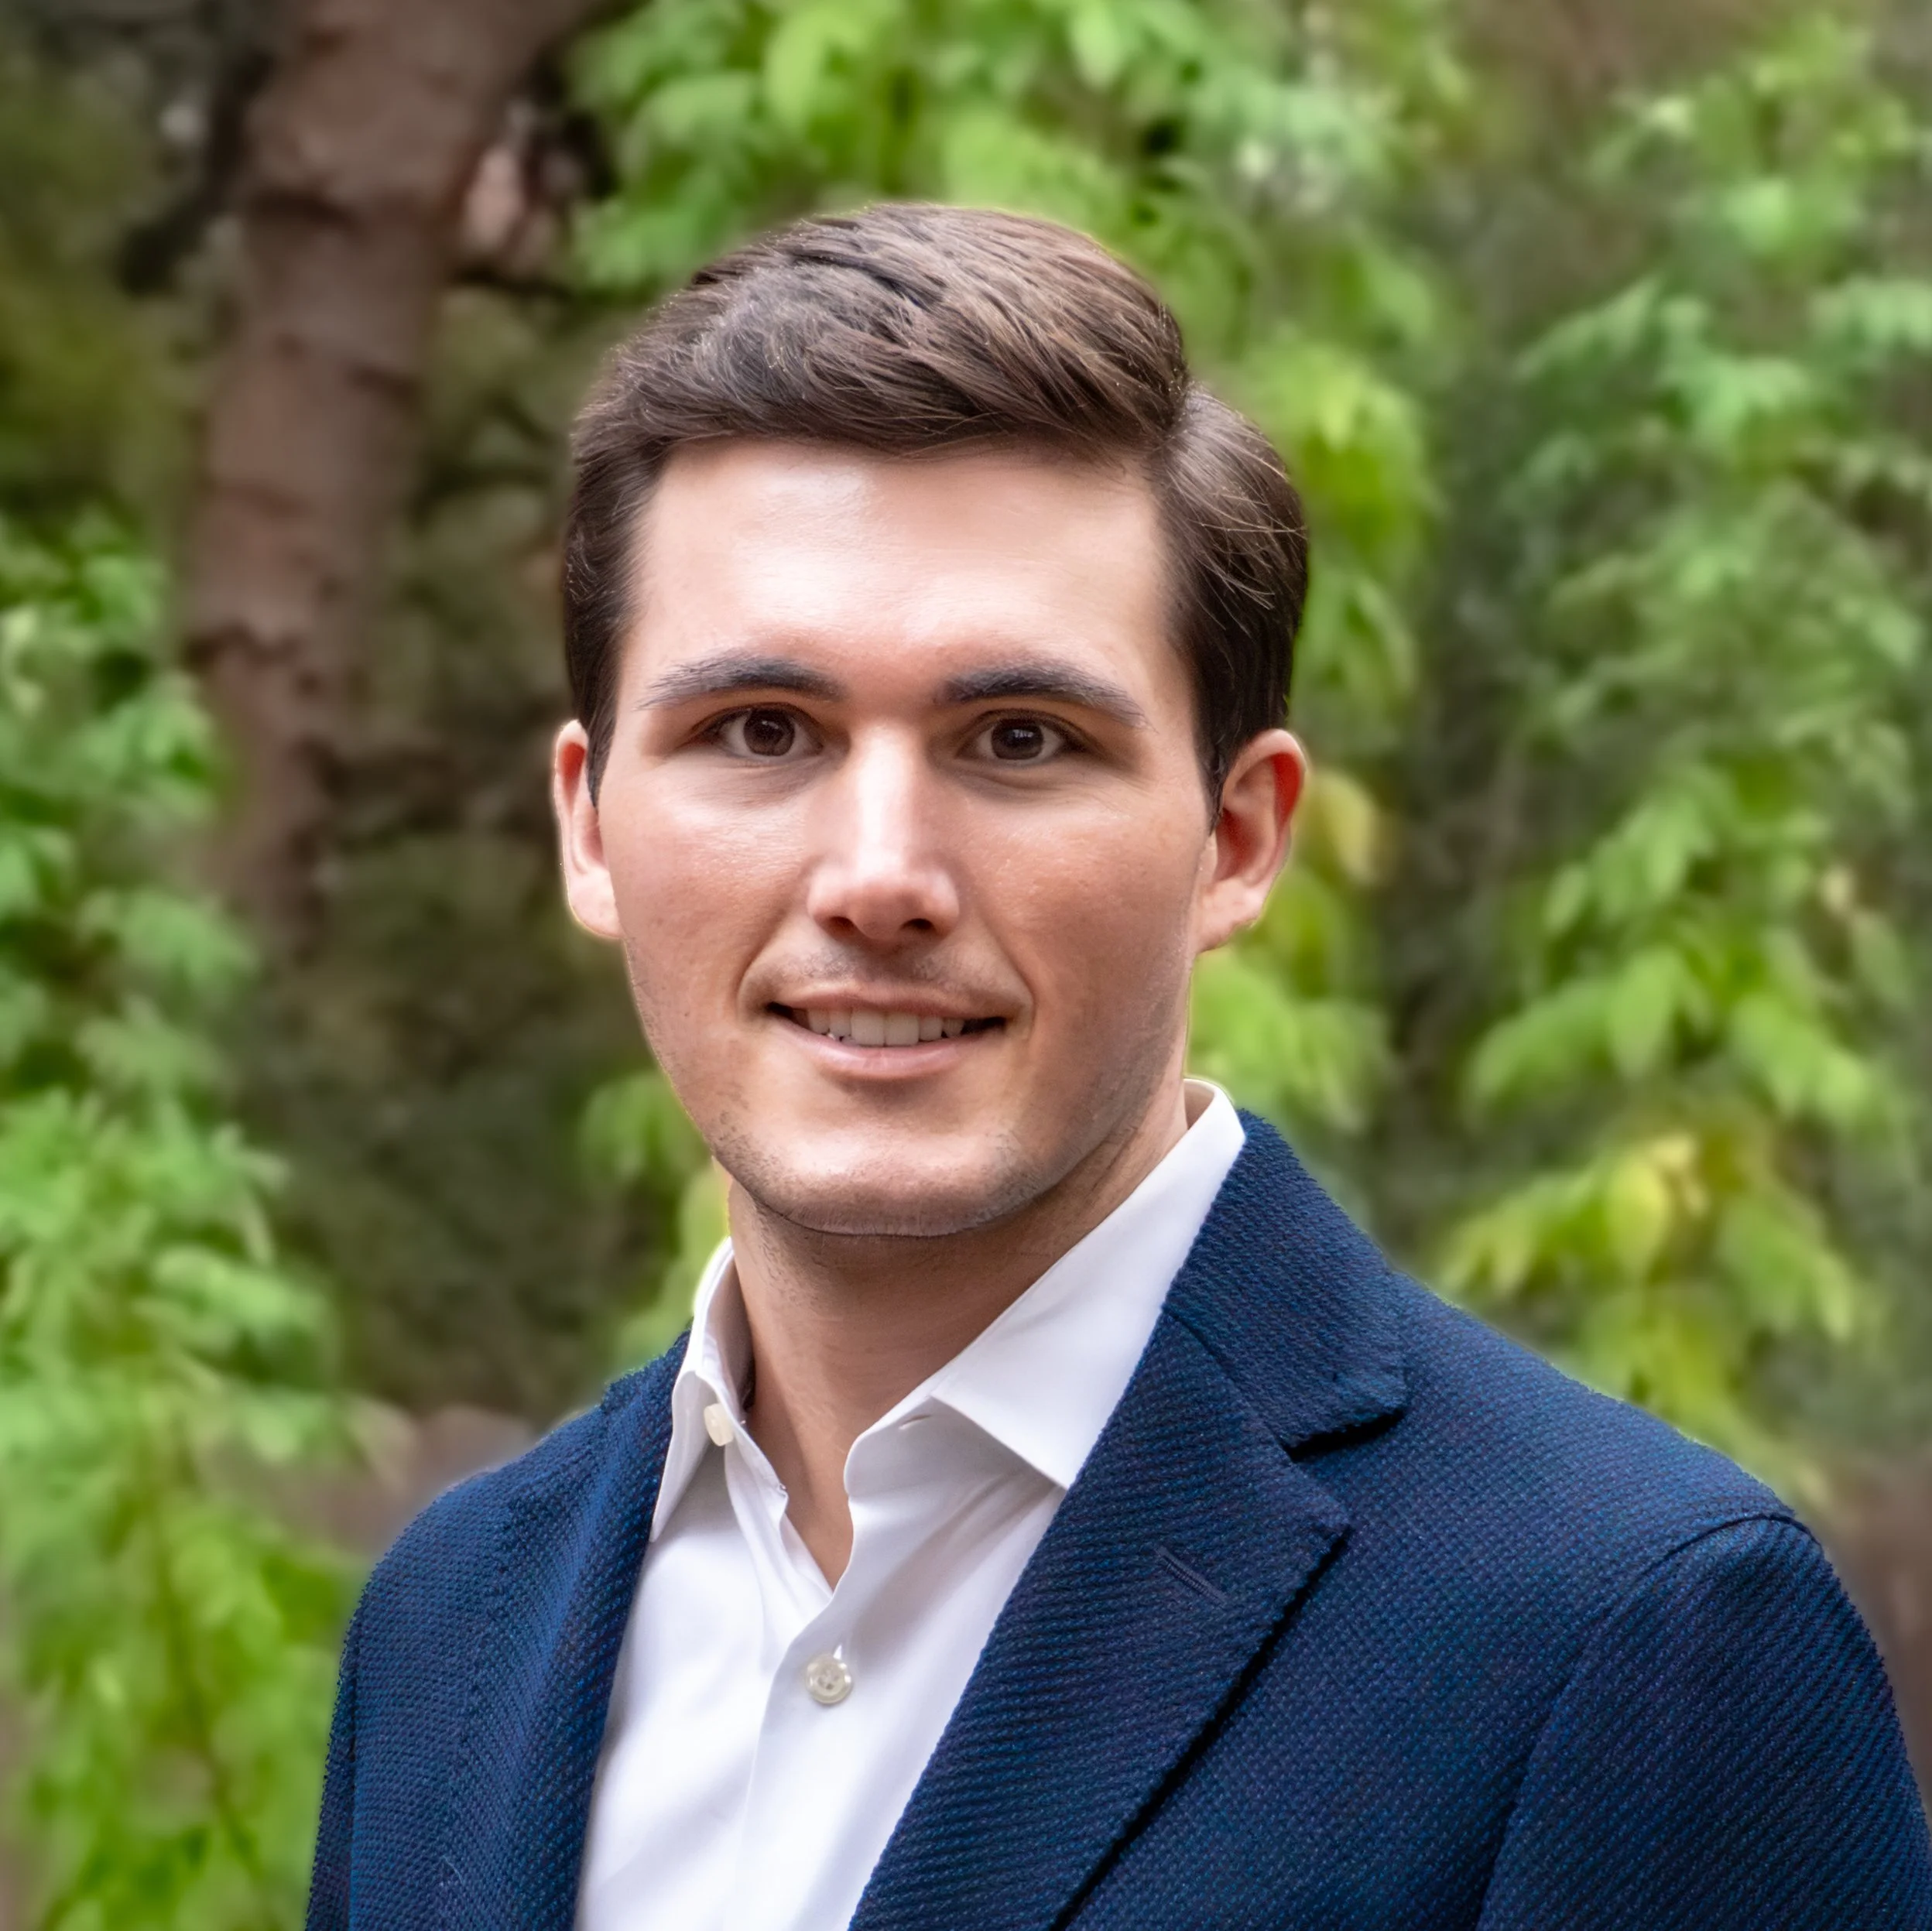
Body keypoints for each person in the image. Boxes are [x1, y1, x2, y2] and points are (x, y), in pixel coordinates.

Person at [304, 203, 1930, 1931]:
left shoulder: (1637, 1635)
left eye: (1019, 740)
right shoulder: (450, 1626)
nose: (879, 876)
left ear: (1238, 838)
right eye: (761, 731)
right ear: (590, 824)